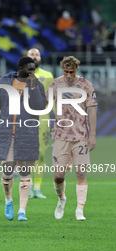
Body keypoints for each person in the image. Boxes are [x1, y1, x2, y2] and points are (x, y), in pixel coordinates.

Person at [0, 56, 46, 221]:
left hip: (27, 135)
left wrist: (32, 88)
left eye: (34, 69)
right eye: (29, 69)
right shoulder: (4, 82)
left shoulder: (36, 84)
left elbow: (40, 106)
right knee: (8, 171)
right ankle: (8, 200)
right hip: (7, 133)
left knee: (25, 173)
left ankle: (22, 211)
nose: (33, 72)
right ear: (20, 68)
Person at [47, 56, 97, 221]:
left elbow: (92, 111)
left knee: (81, 173)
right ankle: (61, 199)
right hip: (61, 136)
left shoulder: (86, 85)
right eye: (65, 71)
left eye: (71, 71)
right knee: (58, 175)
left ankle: (79, 210)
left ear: (76, 69)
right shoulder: (55, 84)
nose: (68, 74)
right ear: (62, 69)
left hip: (81, 136)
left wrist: (93, 135)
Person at [27, 48, 54, 198]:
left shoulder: (47, 76)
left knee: (41, 155)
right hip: (24, 121)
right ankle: (28, 186)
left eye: (37, 54)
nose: (34, 57)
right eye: (32, 54)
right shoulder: (19, 76)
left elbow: (51, 99)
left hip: (43, 120)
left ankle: (37, 188)